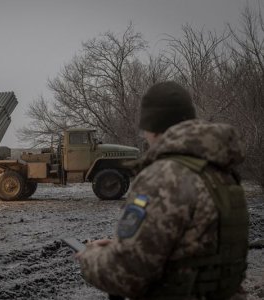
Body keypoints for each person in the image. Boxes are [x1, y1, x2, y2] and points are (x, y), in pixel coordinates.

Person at [76, 81, 249, 300]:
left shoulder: (163, 176)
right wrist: (125, 246)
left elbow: (126, 275)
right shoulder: (222, 172)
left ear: (151, 126)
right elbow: (199, 250)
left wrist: (91, 257)